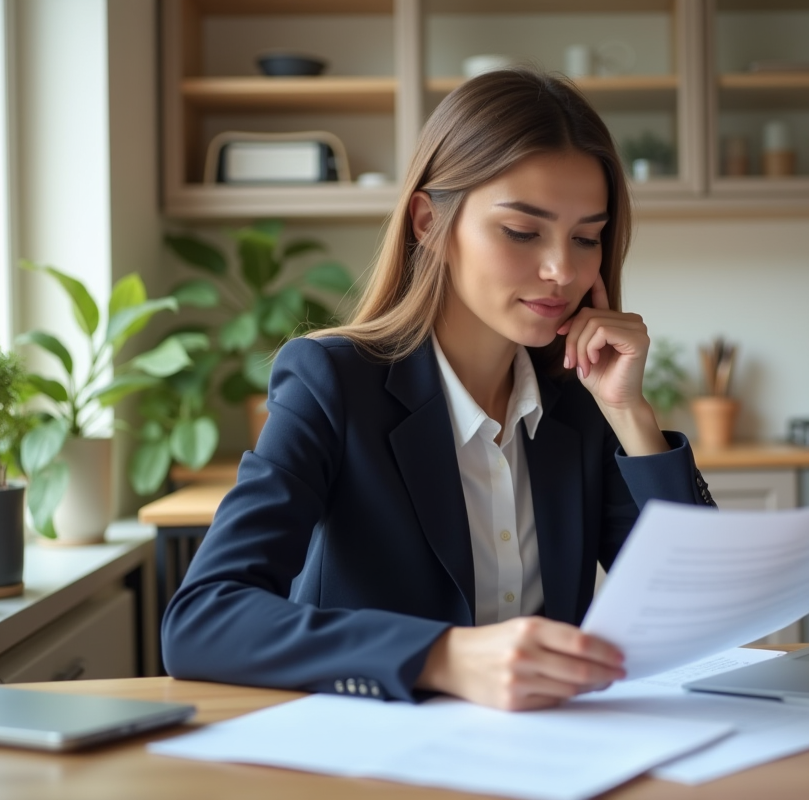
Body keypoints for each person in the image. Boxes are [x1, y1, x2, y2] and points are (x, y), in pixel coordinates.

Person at [161, 68, 715, 711]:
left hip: (554, 759)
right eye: (522, 231)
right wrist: (443, 656)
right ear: (428, 221)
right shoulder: (333, 382)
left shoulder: (583, 402)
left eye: (587, 237)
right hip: (375, 759)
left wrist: (630, 415)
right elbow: (202, 620)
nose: (562, 269)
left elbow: (698, 613)